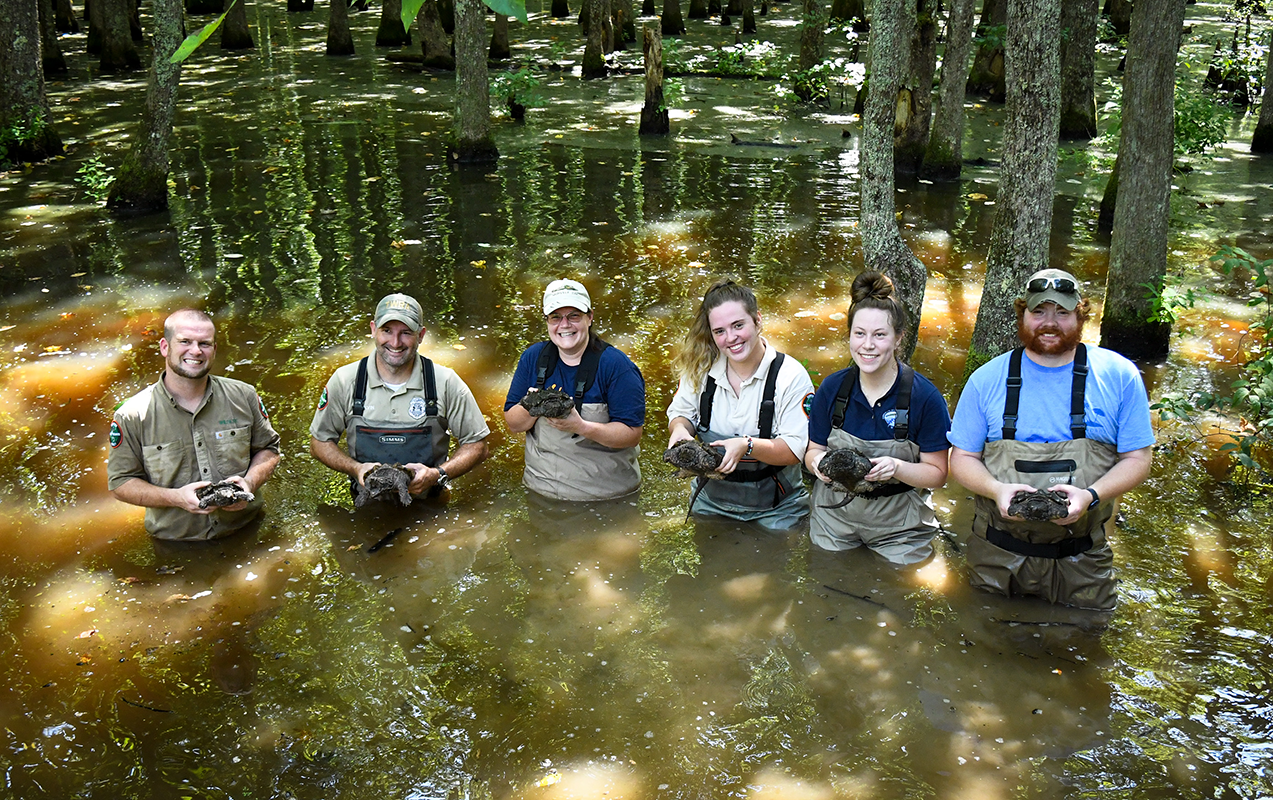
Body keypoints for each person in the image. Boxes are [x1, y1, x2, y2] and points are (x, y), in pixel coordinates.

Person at [948, 269, 1154, 610]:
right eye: (1039, 312)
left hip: (1083, 558)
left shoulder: (1119, 376)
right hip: (997, 554)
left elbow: (1137, 459)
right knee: (984, 633)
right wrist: (997, 490)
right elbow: (962, 459)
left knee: (1086, 641)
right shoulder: (986, 380)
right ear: (1022, 315)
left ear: (1081, 316)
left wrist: (1090, 496)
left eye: (1062, 312)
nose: (1049, 323)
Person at [804, 272, 951, 565]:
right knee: (823, 579)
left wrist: (896, 467)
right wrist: (817, 465)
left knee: (902, 586)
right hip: (833, 518)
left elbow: (937, 473)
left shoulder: (925, 397)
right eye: (859, 334)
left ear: (899, 338)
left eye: (879, 335)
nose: (867, 345)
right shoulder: (833, 389)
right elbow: (813, 450)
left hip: (900, 526)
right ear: (849, 336)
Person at [107, 309, 282, 541]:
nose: (196, 351)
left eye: (205, 343)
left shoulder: (244, 396)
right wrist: (176, 498)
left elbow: (269, 449)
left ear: (214, 350)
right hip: (175, 542)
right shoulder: (133, 415)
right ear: (164, 347)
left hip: (248, 530)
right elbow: (120, 483)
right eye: (185, 341)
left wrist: (249, 483)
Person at [309, 293, 490, 502]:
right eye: (387, 331)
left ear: (421, 335)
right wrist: (356, 469)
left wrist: (437, 474)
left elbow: (478, 445)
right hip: (367, 501)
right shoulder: (345, 380)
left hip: (429, 503)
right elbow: (318, 444)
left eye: (405, 333)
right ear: (373, 330)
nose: (395, 343)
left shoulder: (446, 382)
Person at [666, 278, 815, 531]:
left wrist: (748, 446)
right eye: (720, 331)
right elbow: (681, 414)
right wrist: (680, 431)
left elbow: (795, 451)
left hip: (778, 509)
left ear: (758, 320)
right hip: (708, 502)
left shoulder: (791, 376)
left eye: (738, 325)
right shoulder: (700, 368)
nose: (731, 338)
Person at [503, 279, 646, 501]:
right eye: (556, 317)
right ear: (547, 322)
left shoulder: (617, 366)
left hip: (606, 498)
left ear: (590, 317)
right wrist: (533, 404)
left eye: (574, 316)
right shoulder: (533, 358)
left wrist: (582, 427)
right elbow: (513, 424)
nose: (565, 325)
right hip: (540, 492)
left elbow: (632, 435)